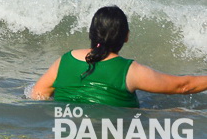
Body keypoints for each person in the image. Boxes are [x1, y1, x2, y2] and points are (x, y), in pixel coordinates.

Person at [31, 6, 207, 106]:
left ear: (91, 33)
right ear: (126, 36)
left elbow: (37, 95)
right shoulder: (130, 71)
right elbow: (184, 86)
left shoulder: (64, 61)